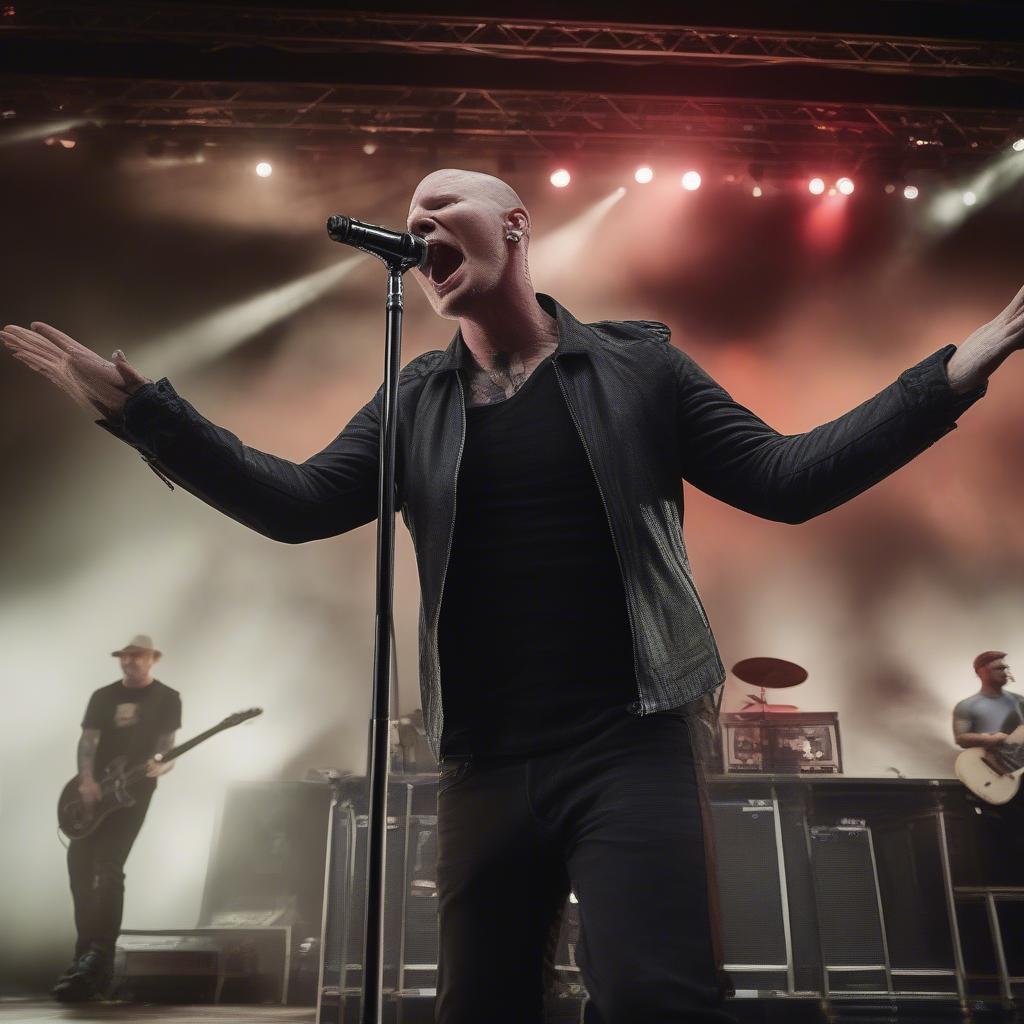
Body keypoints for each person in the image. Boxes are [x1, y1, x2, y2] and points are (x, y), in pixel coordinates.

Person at [3, 167, 1018, 1022]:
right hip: (481, 759)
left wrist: (950, 376)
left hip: (630, 739)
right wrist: (147, 415)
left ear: (516, 223)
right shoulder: (413, 398)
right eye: (410, 221)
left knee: (655, 994)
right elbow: (298, 503)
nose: (421, 225)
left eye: (443, 204)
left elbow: (789, 479)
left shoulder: (638, 368)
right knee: (481, 1003)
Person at [53, 635, 181, 1002]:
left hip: (132, 797)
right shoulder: (103, 696)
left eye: (137, 657)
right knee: (78, 864)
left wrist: (162, 765)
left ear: (152, 659)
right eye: (124, 657)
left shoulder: (167, 698)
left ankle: (99, 957)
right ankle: (83, 954)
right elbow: (88, 741)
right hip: (91, 793)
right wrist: (88, 781)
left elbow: (168, 747)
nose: (129, 662)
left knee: (108, 865)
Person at [953, 651, 1023, 751]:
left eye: (1006, 668)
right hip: (986, 763)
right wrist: (991, 739)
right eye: (999, 668)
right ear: (981, 672)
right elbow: (961, 738)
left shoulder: (1019, 700)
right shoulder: (966, 705)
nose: (1005, 672)